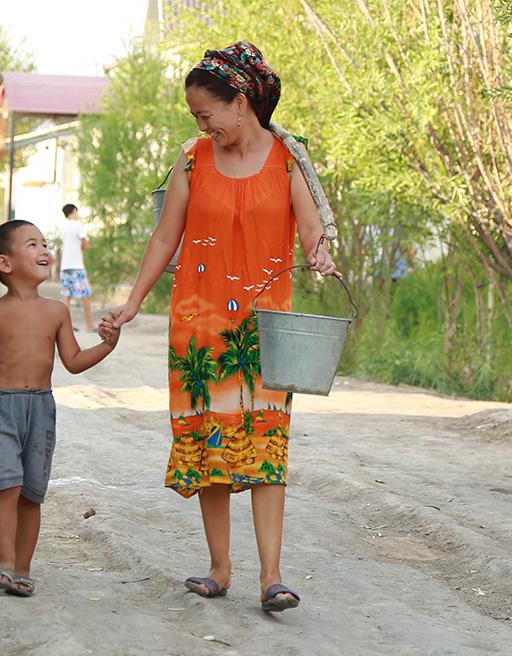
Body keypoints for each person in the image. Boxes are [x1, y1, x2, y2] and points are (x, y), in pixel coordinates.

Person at [99, 41, 339, 612]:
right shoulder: (191, 158)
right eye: (195, 117)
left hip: (263, 329)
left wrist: (320, 255)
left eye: (207, 113)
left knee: (264, 448)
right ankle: (219, 568)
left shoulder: (288, 156)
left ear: (241, 102)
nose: (202, 125)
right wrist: (133, 302)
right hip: (198, 325)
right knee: (210, 444)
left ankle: (272, 577)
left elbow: (311, 227)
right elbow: (166, 237)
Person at [0, 219, 120, 598]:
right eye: (32, 245)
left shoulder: (56, 312)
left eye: (45, 243)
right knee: (6, 485)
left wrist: (108, 346)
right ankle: (3, 563)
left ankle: (22, 569)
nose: (45, 250)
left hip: (40, 409)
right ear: (5, 263)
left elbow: (74, 361)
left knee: (31, 493)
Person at [58, 204, 95, 331]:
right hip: (77, 266)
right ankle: (90, 325)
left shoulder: (64, 228)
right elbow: (85, 245)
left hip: (65, 266)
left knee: (67, 296)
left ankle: (66, 326)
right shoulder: (78, 225)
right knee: (86, 294)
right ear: (74, 211)